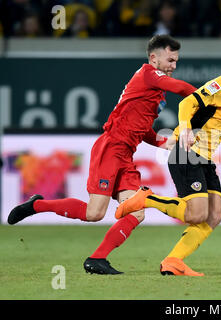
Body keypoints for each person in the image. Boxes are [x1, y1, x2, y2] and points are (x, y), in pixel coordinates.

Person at [7, 35, 197, 274]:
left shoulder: (155, 90)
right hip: (111, 147)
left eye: (176, 61)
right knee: (94, 213)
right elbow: (181, 87)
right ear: (153, 58)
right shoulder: (148, 74)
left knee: (137, 212)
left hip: (125, 154)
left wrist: (163, 142)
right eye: (170, 60)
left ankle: (97, 259)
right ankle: (38, 205)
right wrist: (205, 97)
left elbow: (142, 128)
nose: (174, 66)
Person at [114, 47, 221, 276]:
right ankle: (146, 199)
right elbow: (186, 103)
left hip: (204, 158)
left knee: (215, 215)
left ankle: (173, 261)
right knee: (196, 215)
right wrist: (187, 129)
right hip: (186, 151)